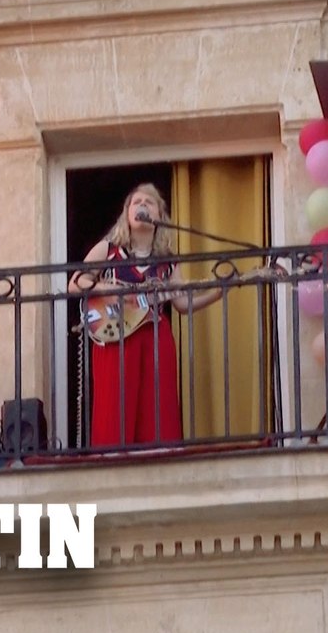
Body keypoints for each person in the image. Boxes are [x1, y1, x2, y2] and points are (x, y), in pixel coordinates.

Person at [68, 183, 225, 447]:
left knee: (158, 401)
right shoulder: (108, 250)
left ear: (159, 217)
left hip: (155, 334)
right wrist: (112, 290)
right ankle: (112, 459)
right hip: (117, 333)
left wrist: (218, 293)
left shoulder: (168, 261)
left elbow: (181, 304)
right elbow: (76, 284)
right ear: (126, 214)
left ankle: (159, 455)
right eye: (136, 201)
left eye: (148, 202)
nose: (141, 205)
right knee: (116, 400)